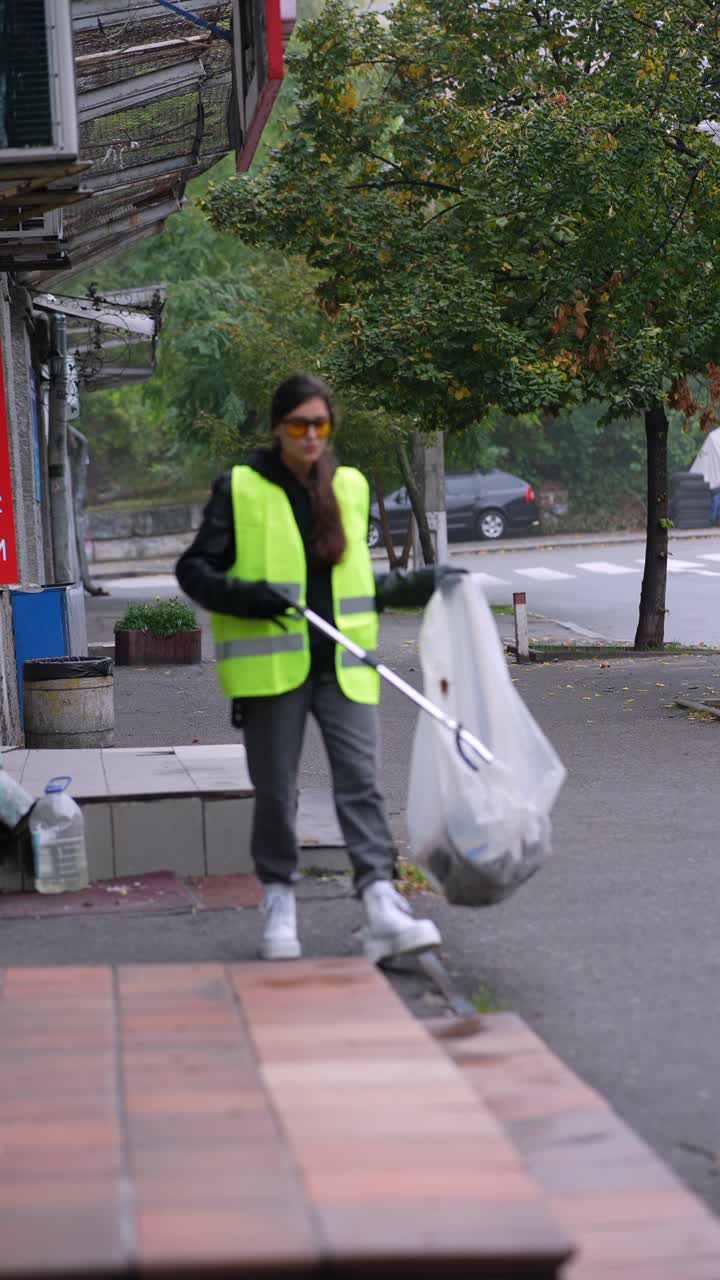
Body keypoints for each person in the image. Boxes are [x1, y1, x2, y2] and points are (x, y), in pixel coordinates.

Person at [176, 372, 455, 964]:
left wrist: (421, 584)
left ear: (330, 428)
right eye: (299, 424)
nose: (310, 435)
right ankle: (278, 898)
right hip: (272, 669)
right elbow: (194, 570)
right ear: (278, 427)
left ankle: (380, 900)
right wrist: (252, 597)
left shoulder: (348, 487)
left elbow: (353, 585)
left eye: (320, 425)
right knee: (278, 794)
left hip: (345, 664)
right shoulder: (242, 488)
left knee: (362, 787)